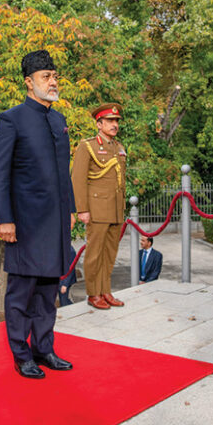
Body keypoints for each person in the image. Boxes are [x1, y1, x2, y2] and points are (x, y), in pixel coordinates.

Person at [0, 49, 75, 379]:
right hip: (24, 223)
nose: (52, 82)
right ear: (29, 82)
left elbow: (62, 171)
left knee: (48, 290)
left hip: (55, 223)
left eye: (54, 77)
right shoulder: (11, 119)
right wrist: (4, 219)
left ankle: (44, 348)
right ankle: (21, 354)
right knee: (21, 293)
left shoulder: (57, 119)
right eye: (45, 77)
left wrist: (71, 209)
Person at [71, 103, 127, 310]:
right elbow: (78, 179)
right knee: (95, 253)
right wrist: (82, 209)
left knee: (110, 253)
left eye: (116, 121)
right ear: (99, 124)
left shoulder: (118, 147)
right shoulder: (88, 146)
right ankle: (93, 293)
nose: (114, 125)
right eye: (110, 121)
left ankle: (106, 291)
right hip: (96, 208)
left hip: (115, 208)